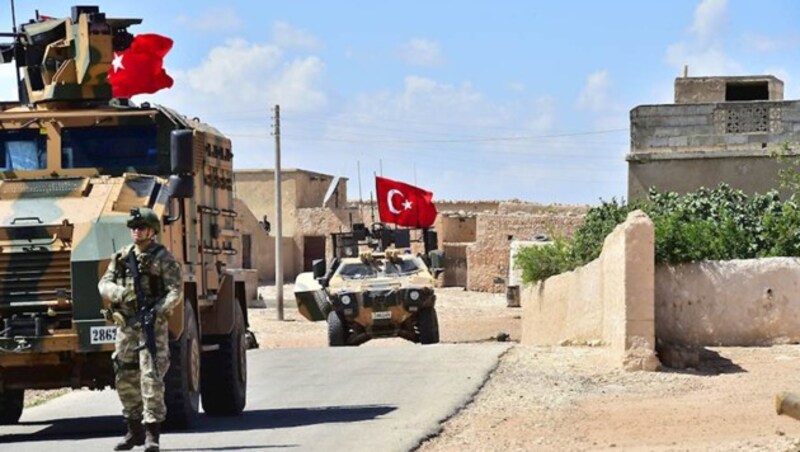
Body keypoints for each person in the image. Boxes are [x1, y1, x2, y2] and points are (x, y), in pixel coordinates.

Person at [98, 207, 183, 452]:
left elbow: (175, 291)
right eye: (133, 228)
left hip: (151, 326)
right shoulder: (123, 256)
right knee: (124, 376)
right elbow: (104, 283)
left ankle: (151, 435)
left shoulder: (162, 258)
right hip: (126, 325)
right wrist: (120, 293)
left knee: (150, 377)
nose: (136, 232)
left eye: (141, 228)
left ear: (152, 231)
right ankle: (133, 431)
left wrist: (158, 310)